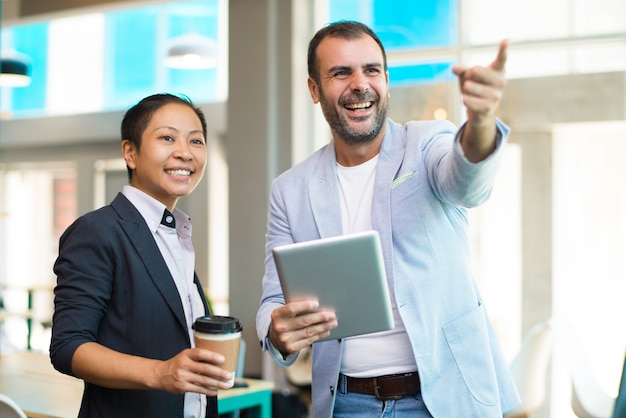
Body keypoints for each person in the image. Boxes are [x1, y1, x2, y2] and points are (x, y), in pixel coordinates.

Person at [256, 20, 520, 418]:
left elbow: (467, 183)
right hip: (347, 404)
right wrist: (277, 331)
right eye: (341, 72)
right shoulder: (290, 189)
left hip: (446, 398)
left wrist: (481, 120)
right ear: (314, 90)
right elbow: (273, 300)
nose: (359, 84)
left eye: (371, 70)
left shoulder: (427, 142)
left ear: (386, 80)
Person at [50, 93, 233, 418]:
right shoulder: (98, 230)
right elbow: (69, 347)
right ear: (130, 152)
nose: (184, 152)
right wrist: (161, 373)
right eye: (166, 138)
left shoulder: (175, 234)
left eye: (196, 140)